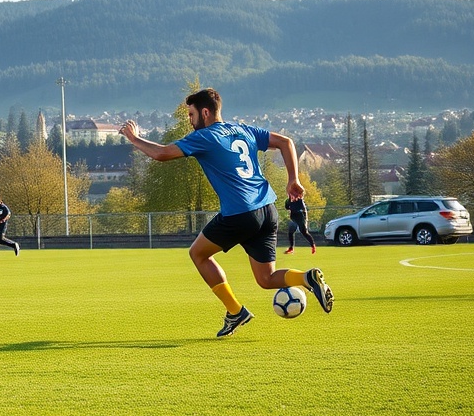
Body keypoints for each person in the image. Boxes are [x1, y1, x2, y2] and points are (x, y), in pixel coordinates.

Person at [119, 88, 333, 338]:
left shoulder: (206, 137)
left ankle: (235, 311)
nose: (189, 120)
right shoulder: (243, 129)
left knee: (198, 254)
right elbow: (285, 142)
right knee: (266, 278)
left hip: (240, 212)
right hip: (267, 209)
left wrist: (134, 138)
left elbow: (162, 154)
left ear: (205, 112)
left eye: (191, 114)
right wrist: (292, 180)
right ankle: (307, 278)